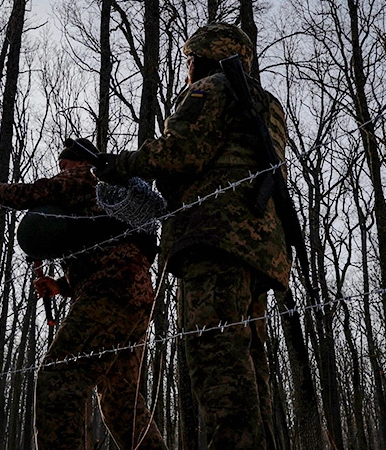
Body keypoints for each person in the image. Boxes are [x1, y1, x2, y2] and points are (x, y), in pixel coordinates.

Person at [96, 23, 293, 450]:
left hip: (216, 239)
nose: (187, 68)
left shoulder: (211, 88)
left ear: (204, 56)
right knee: (251, 366)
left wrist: (122, 164)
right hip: (262, 250)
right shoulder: (269, 102)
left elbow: (182, 152)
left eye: (190, 59)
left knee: (216, 359)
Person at [0, 139, 167, 450]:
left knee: (58, 378)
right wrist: (61, 287)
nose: (61, 172)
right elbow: (107, 247)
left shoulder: (85, 178)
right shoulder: (106, 199)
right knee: (120, 398)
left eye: (64, 166)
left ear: (78, 163)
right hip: (136, 296)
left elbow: (29, 193)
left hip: (108, 291)